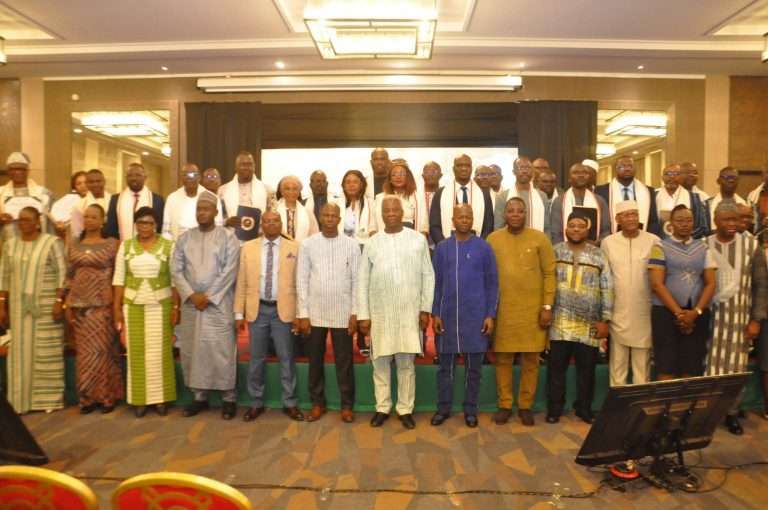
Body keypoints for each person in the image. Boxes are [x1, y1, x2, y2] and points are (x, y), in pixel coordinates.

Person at [357, 196, 434, 429]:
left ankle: (405, 409)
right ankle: (382, 407)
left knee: (406, 365)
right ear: (381, 214)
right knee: (380, 364)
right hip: (380, 313)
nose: (391, 214)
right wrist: (364, 314)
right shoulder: (372, 242)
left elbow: (428, 275)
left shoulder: (418, 240)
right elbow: (362, 280)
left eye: (395, 210)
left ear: (403, 213)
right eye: (386, 210)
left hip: (409, 312)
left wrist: (425, 308)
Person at [171, 191, 240, 420]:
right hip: (192, 304)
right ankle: (198, 397)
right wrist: (192, 295)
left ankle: (229, 398)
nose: (202, 213)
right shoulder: (185, 238)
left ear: (215, 212)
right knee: (193, 350)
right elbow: (176, 270)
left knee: (222, 350)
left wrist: (208, 296)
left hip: (218, 303)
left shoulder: (228, 237)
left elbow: (230, 270)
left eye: (206, 209)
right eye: (199, 209)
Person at [487, 197, 556, 426]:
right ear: (504, 214)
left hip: (533, 310)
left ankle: (525, 406)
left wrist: (547, 306)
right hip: (503, 310)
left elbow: (549, 274)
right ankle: (505, 404)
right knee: (503, 359)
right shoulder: (493, 239)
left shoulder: (540, 238)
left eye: (519, 211)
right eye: (511, 211)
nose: (515, 215)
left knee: (531, 360)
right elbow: (486, 276)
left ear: (526, 214)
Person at [430, 204, 498, 428]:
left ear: (473, 219)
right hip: (447, 317)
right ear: (453, 220)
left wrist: (490, 314)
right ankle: (443, 408)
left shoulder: (484, 247)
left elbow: (492, 283)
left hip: (476, 317)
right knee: (445, 369)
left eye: (468, 216)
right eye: (460, 217)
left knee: (474, 370)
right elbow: (435, 283)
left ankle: (470, 409)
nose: (465, 220)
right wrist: (435, 313)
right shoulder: (442, 248)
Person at [235, 211, 304, 422]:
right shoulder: (248, 248)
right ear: (261, 224)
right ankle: (256, 402)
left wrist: (300, 313)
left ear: (281, 223)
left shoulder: (295, 247)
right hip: (257, 310)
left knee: (286, 358)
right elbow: (241, 281)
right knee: (256, 359)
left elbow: (300, 282)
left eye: (275, 221)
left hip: (283, 310)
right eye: (267, 221)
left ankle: (289, 402)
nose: (271, 224)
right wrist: (238, 312)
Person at [706, 202, 768, 434]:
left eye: (736, 219)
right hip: (711, 322)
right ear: (715, 220)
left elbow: (761, 285)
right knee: (710, 368)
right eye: (727, 219)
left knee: (736, 369)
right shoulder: (704, 245)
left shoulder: (751, 246)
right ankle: (708, 415)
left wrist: (756, 320)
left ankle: (731, 413)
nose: (733, 224)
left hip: (740, 321)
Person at [113, 207, 179, 417]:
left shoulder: (168, 246)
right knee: (136, 353)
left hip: (161, 305)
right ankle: (139, 400)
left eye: (149, 222)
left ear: (156, 225)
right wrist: (116, 308)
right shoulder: (126, 246)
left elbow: (175, 280)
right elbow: (118, 279)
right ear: (135, 225)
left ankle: (160, 399)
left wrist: (176, 307)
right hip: (133, 306)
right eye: (140, 222)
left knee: (160, 353)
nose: (144, 227)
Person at [546, 215, 612, 424]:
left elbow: (607, 287)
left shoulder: (598, 254)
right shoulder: (555, 251)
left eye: (580, 226)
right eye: (572, 226)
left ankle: (584, 408)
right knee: (556, 369)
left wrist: (605, 319)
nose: (576, 229)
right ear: (565, 229)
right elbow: (546, 283)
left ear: (587, 231)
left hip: (589, 324)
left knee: (587, 370)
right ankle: (554, 409)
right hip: (559, 321)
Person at [297, 203, 360, 423]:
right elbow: (301, 279)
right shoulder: (308, 244)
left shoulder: (352, 245)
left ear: (339, 219)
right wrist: (303, 313)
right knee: (315, 360)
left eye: (334, 215)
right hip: (314, 312)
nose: (330, 219)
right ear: (320, 218)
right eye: (326, 215)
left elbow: (357, 280)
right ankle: (317, 403)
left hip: (343, 312)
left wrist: (355, 312)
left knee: (345, 362)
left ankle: (346, 405)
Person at [0, 207, 66, 414]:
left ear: (38, 222)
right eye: (20, 220)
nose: (23, 224)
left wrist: (59, 301)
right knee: (19, 354)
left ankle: (48, 400)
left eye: (28, 220)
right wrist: (2, 305)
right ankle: (20, 402)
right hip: (18, 310)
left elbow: (62, 273)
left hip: (45, 308)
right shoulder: (10, 245)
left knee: (47, 351)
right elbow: (4, 276)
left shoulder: (52, 243)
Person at [64, 204, 123, 414]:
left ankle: (106, 397)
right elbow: (69, 275)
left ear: (102, 220)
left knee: (103, 352)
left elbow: (119, 275)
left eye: (93, 217)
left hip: (103, 305)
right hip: (79, 306)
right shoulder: (74, 245)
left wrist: (117, 305)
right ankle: (87, 399)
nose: (89, 220)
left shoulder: (113, 244)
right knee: (85, 355)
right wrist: (66, 302)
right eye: (86, 217)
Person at [648, 205, 716, 380]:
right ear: (671, 223)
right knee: (666, 365)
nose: (685, 224)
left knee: (691, 364)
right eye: (680, 220)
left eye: (688, 220)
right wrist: (679, 314)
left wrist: (695, 312)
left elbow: (711, 283)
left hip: (696, 313)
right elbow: (656, 284)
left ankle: (688, 400)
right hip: (665, 313)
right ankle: (666, 399)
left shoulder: (704, 248)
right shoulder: (659, 247)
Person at [601, 201, 659, 386]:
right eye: (627, 215)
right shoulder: (608, 243)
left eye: (635, 214)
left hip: (644, 311)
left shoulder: (653, 241)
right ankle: (617, 403)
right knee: (617, 366)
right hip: (618, 311)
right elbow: (604, 278)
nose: (632, 218)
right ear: (617, 219)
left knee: (642, 368)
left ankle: (640, 404)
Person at [429, 154, 494, 243]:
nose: (464, 168)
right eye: (460, 165)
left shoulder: (484, 194)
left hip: (477, 245)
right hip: (447, 245)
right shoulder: (440, 193)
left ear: (471, 168)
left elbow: (488, 226)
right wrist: (445, 246)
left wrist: (479, 245)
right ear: (453, 169)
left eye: (467, 165)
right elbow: (434, 225)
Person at [594, 155, 659, 235]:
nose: (627, 169)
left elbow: (653, 221)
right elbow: (600, 221)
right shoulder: (601, 191)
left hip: (642, 237)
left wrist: (648, 238)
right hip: (611, 238)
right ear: (615, 169)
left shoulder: (648, 191)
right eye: (622, 166)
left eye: (630, 166)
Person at [550, 163, 610, 245]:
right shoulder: (559, 201)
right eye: (576, 172)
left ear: (589, 177)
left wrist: (596, 244)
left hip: (594, 249)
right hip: (565, 249)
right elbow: (556, 232)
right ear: (569, 179)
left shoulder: (600, 201)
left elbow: (606, 230)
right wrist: (564, 249)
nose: (581, 175)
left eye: (585, 173)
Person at [0, 152, 54, 239]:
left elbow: (52, 224)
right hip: (8, 243)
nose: (17, 172)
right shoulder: (1, 193)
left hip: (37, 243)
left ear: (28, 171)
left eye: (21, 169)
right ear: (8, 172)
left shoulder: (43, 194)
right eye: (13, 169)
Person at [105, 162, 164, 240]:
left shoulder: (157, 200)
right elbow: (111, 228)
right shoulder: (116, 199)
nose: (133, 178)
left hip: (150, 246)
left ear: (145, 177)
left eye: (138, 175)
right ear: (126, 178)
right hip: (122, 245)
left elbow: (160, 228)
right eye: (130, 175)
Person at [163, 164, 223, 241]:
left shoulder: (212, 198)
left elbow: (218, 228)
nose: (190, 177)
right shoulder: (172, 198)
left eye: (193, 174)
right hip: (177, 245)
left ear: (199, 177)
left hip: (206, 245)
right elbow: (166, 231)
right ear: (181, 177)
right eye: (186, 174)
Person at [494, 157, 549, 233]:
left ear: (532, 171)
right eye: (521, 168)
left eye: (528, 168)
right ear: (514, 172)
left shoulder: (542, 196)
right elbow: (498, 227)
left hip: (536, 239)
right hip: (511, 239)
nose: (525, 171)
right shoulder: (503, 197)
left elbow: (546, 227)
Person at [373, 159, 428, 234]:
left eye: (402, 174)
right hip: (386, 237)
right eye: (394, 174)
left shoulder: (418, 197)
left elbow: (424, 227)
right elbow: (373, 227)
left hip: (412, 237)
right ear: (390, 179)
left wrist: (420, 239)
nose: (398, 177)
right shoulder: (380, 198)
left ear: (408, 177)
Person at [219, 151, 270, 231]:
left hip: (259, 235)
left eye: (250, 164)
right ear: (235, 167)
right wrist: (227, 222)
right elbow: (218, 217)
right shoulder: (222, 190)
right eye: (243, 164)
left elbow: (273, 216)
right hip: (231, 235)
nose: (246, 167)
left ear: (254, 167)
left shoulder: (267, 190)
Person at [275, 176, 318, 243]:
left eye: (295, 189)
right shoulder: (273, 211)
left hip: (303, 248)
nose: (291, 192)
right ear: (281, 192)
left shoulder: (308, 212)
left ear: (299, 192)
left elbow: (314, 236)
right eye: (287, 189)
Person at [70, 169, 112, 239]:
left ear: (104, 182)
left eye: (98, 181)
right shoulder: (79, 206)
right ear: (87, 184)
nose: (95, 184)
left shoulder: (114, 200)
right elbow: (76, 233)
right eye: (91, 182)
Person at [339, 170, 375, 246]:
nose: (351, 185)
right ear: (344, 186)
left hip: (364, 245)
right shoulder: (336, 204)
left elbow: (373, 229)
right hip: (340, 245)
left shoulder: (371, 203)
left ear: (362, 185)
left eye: (355, 182)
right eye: (348, 182)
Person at [677, 162, 711, 238]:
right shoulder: (673, 195)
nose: (691, 175)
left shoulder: (703, 196)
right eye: (687, 172)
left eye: (695, 173)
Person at [51, 171, 88, 238]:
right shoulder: (69, 199)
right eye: (79, 184)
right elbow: (56, 216)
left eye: (86, 182)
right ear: (74, 187)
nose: (83, 186)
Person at [422, 161, 443, 249]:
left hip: (441, 243)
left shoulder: (446, 195)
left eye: (434, 172)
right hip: (420, 243)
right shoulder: (416, 196)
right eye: (427, 172)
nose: (430, 175)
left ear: (441, 175)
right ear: (422, 176)